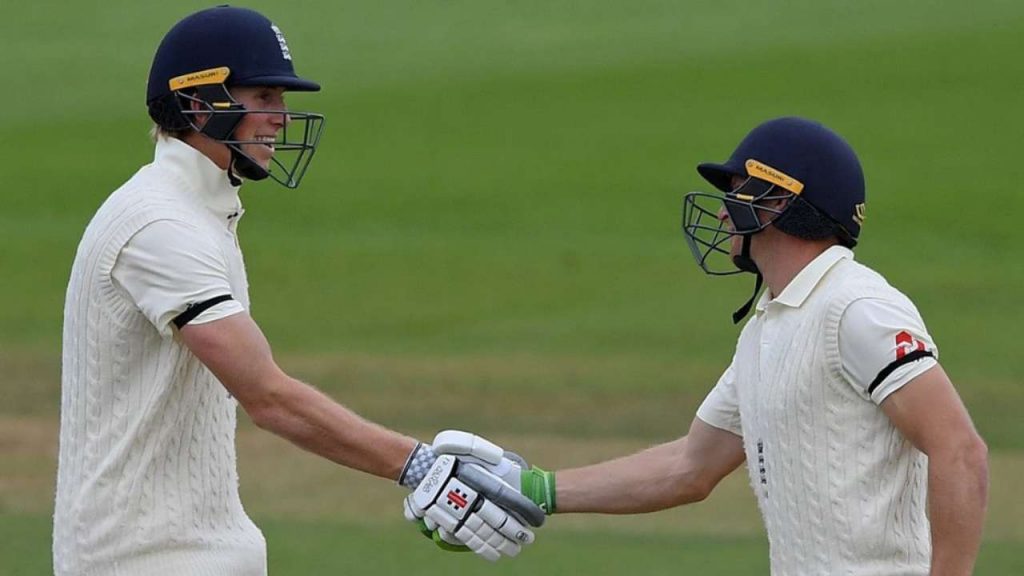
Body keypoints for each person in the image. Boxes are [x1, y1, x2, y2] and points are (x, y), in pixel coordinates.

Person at [54, 7, 537, 574]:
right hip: (145, 561)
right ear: (198, 103)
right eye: (262, 97)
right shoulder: (160, 226)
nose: (280, 118)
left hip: (193, 553)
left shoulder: (195, 210)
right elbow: (267, 396)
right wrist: (419, 465)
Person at [430, 117, 990, 574]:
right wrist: (534, 488)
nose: (722, 211)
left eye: (737, 193)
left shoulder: (856, 309)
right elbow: (689, 467)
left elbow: (959, 448)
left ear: (777, 203)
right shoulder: (768, 329)